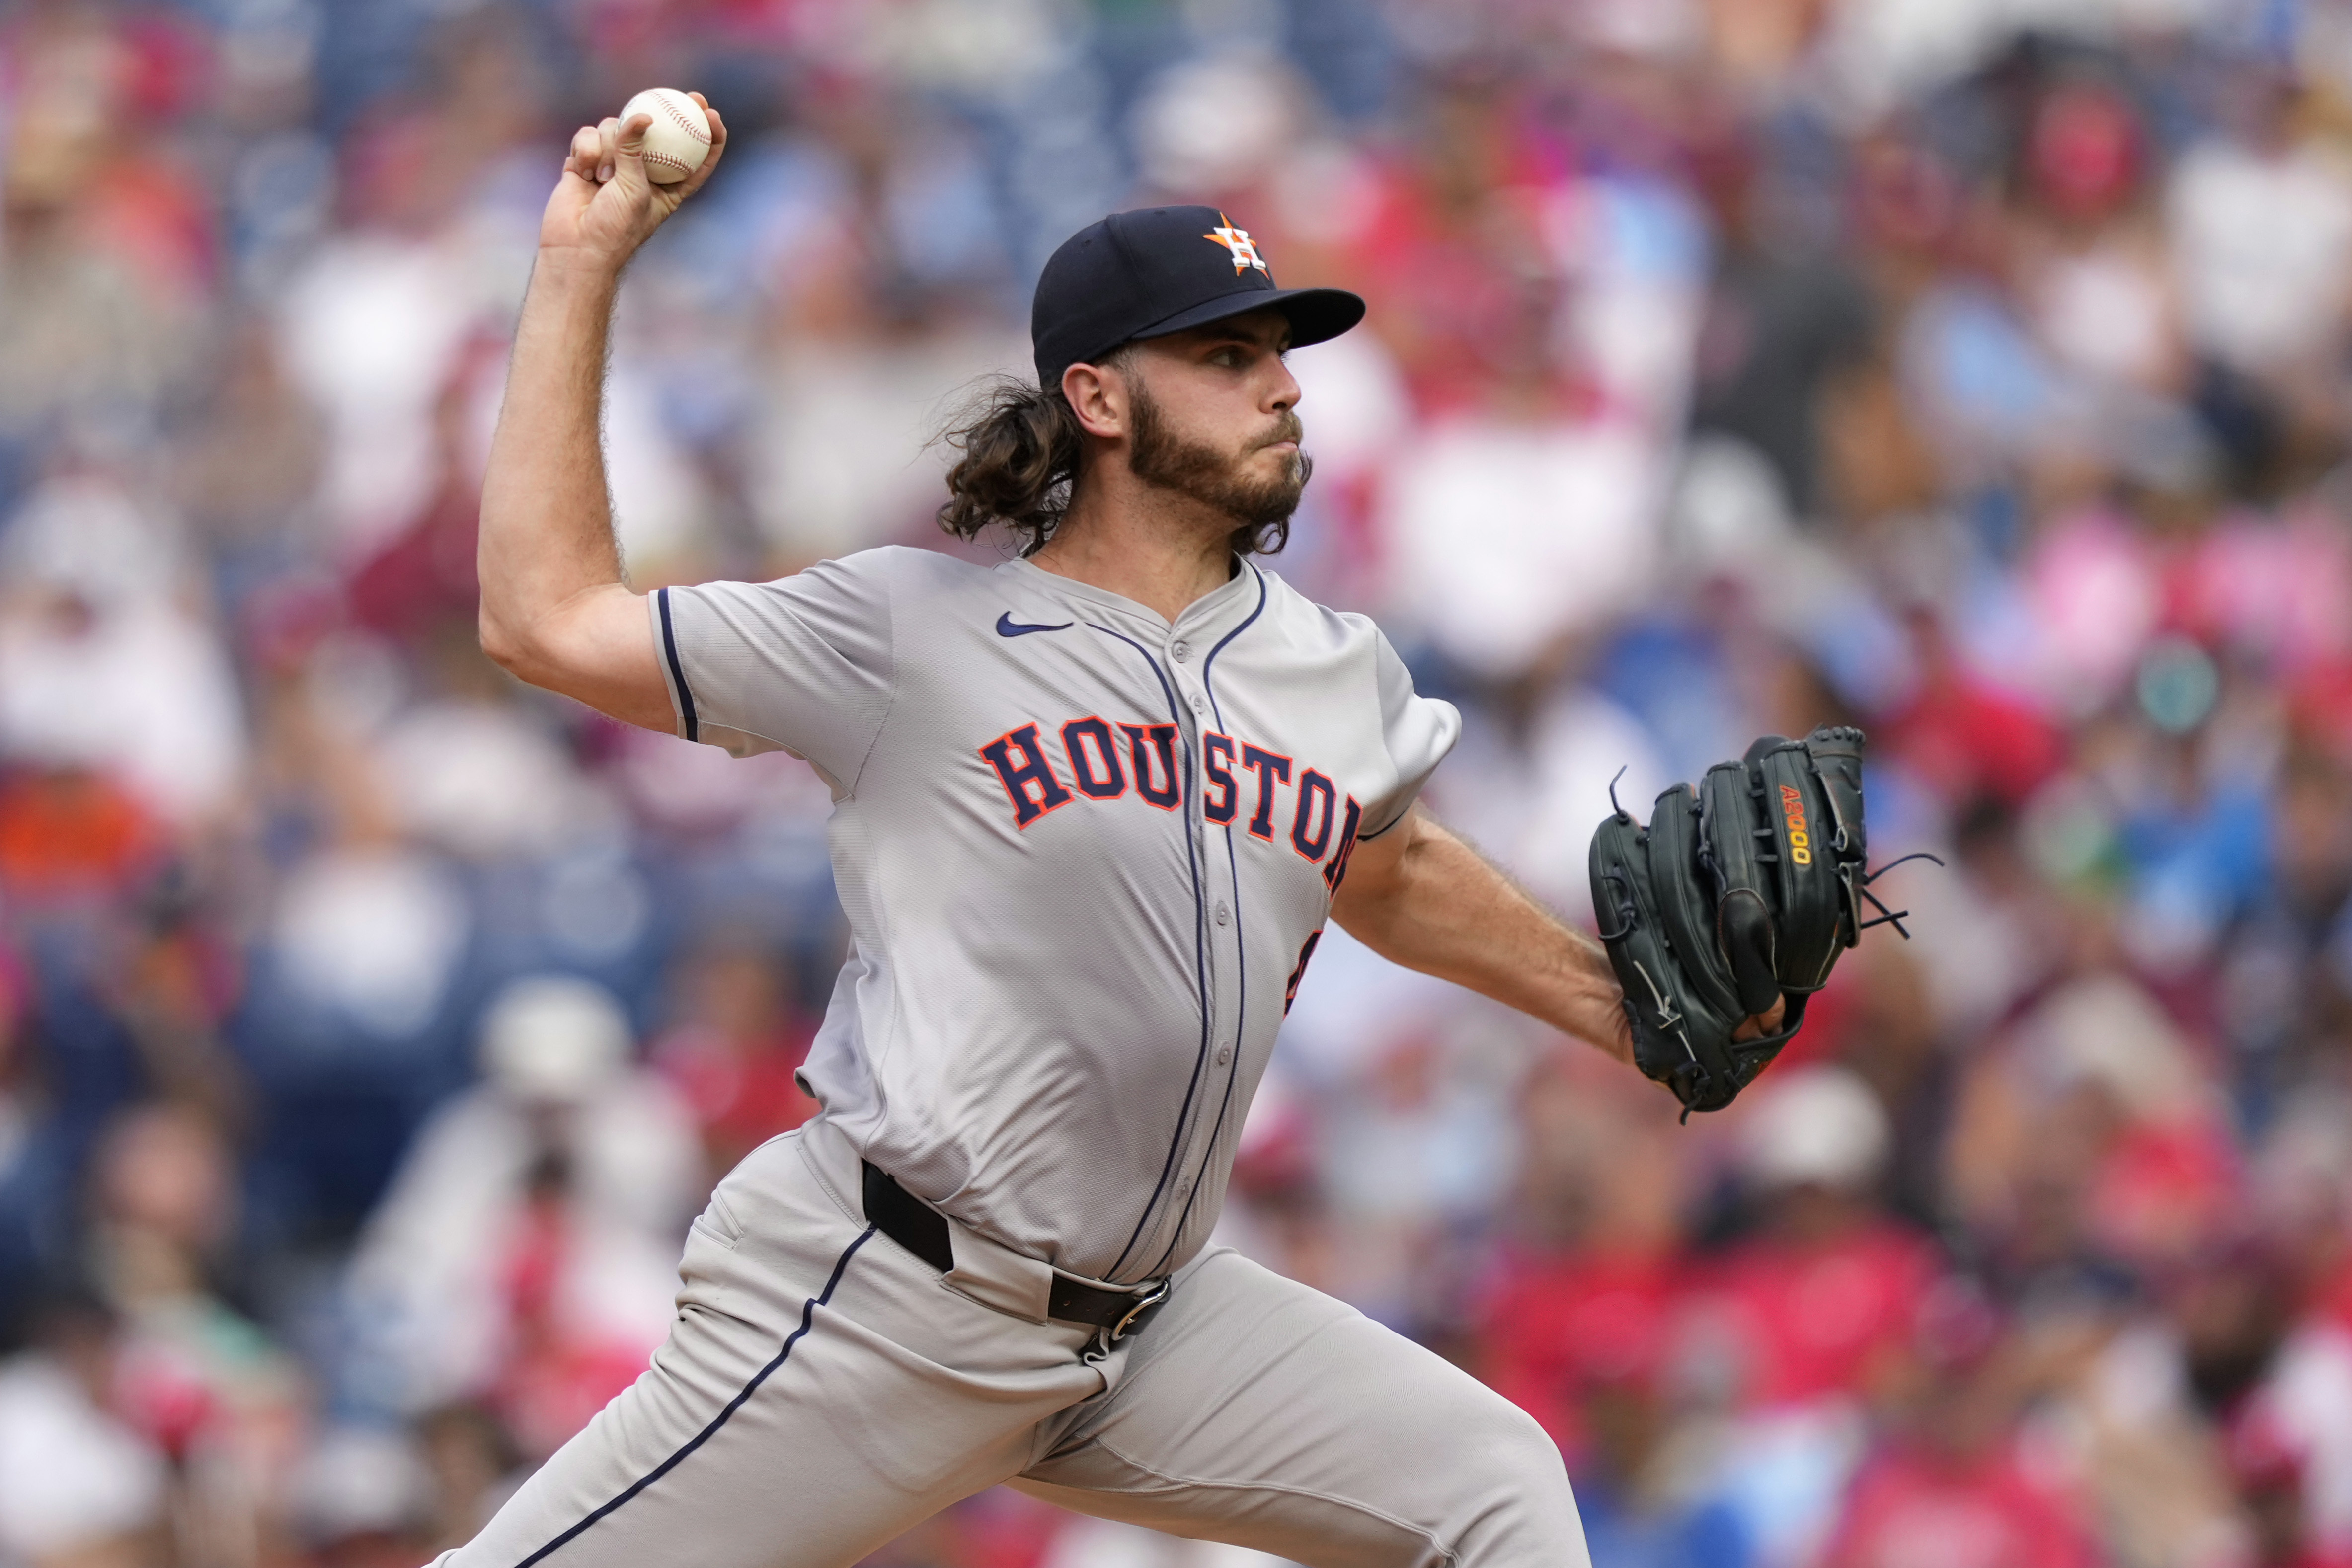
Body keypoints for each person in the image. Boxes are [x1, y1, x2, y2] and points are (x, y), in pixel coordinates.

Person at [458, 99, 1776, 1568]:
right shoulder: (913, 630)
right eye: (1226, 355)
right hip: (891, 1300)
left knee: (1493, 1481)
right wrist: (582, 267)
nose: (1282, 387)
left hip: (1150, 1327)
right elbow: (545, 617)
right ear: (1097, 396)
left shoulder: (1324, 664)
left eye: (1281, 353)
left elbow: (1383, 866)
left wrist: (1620, 1010)